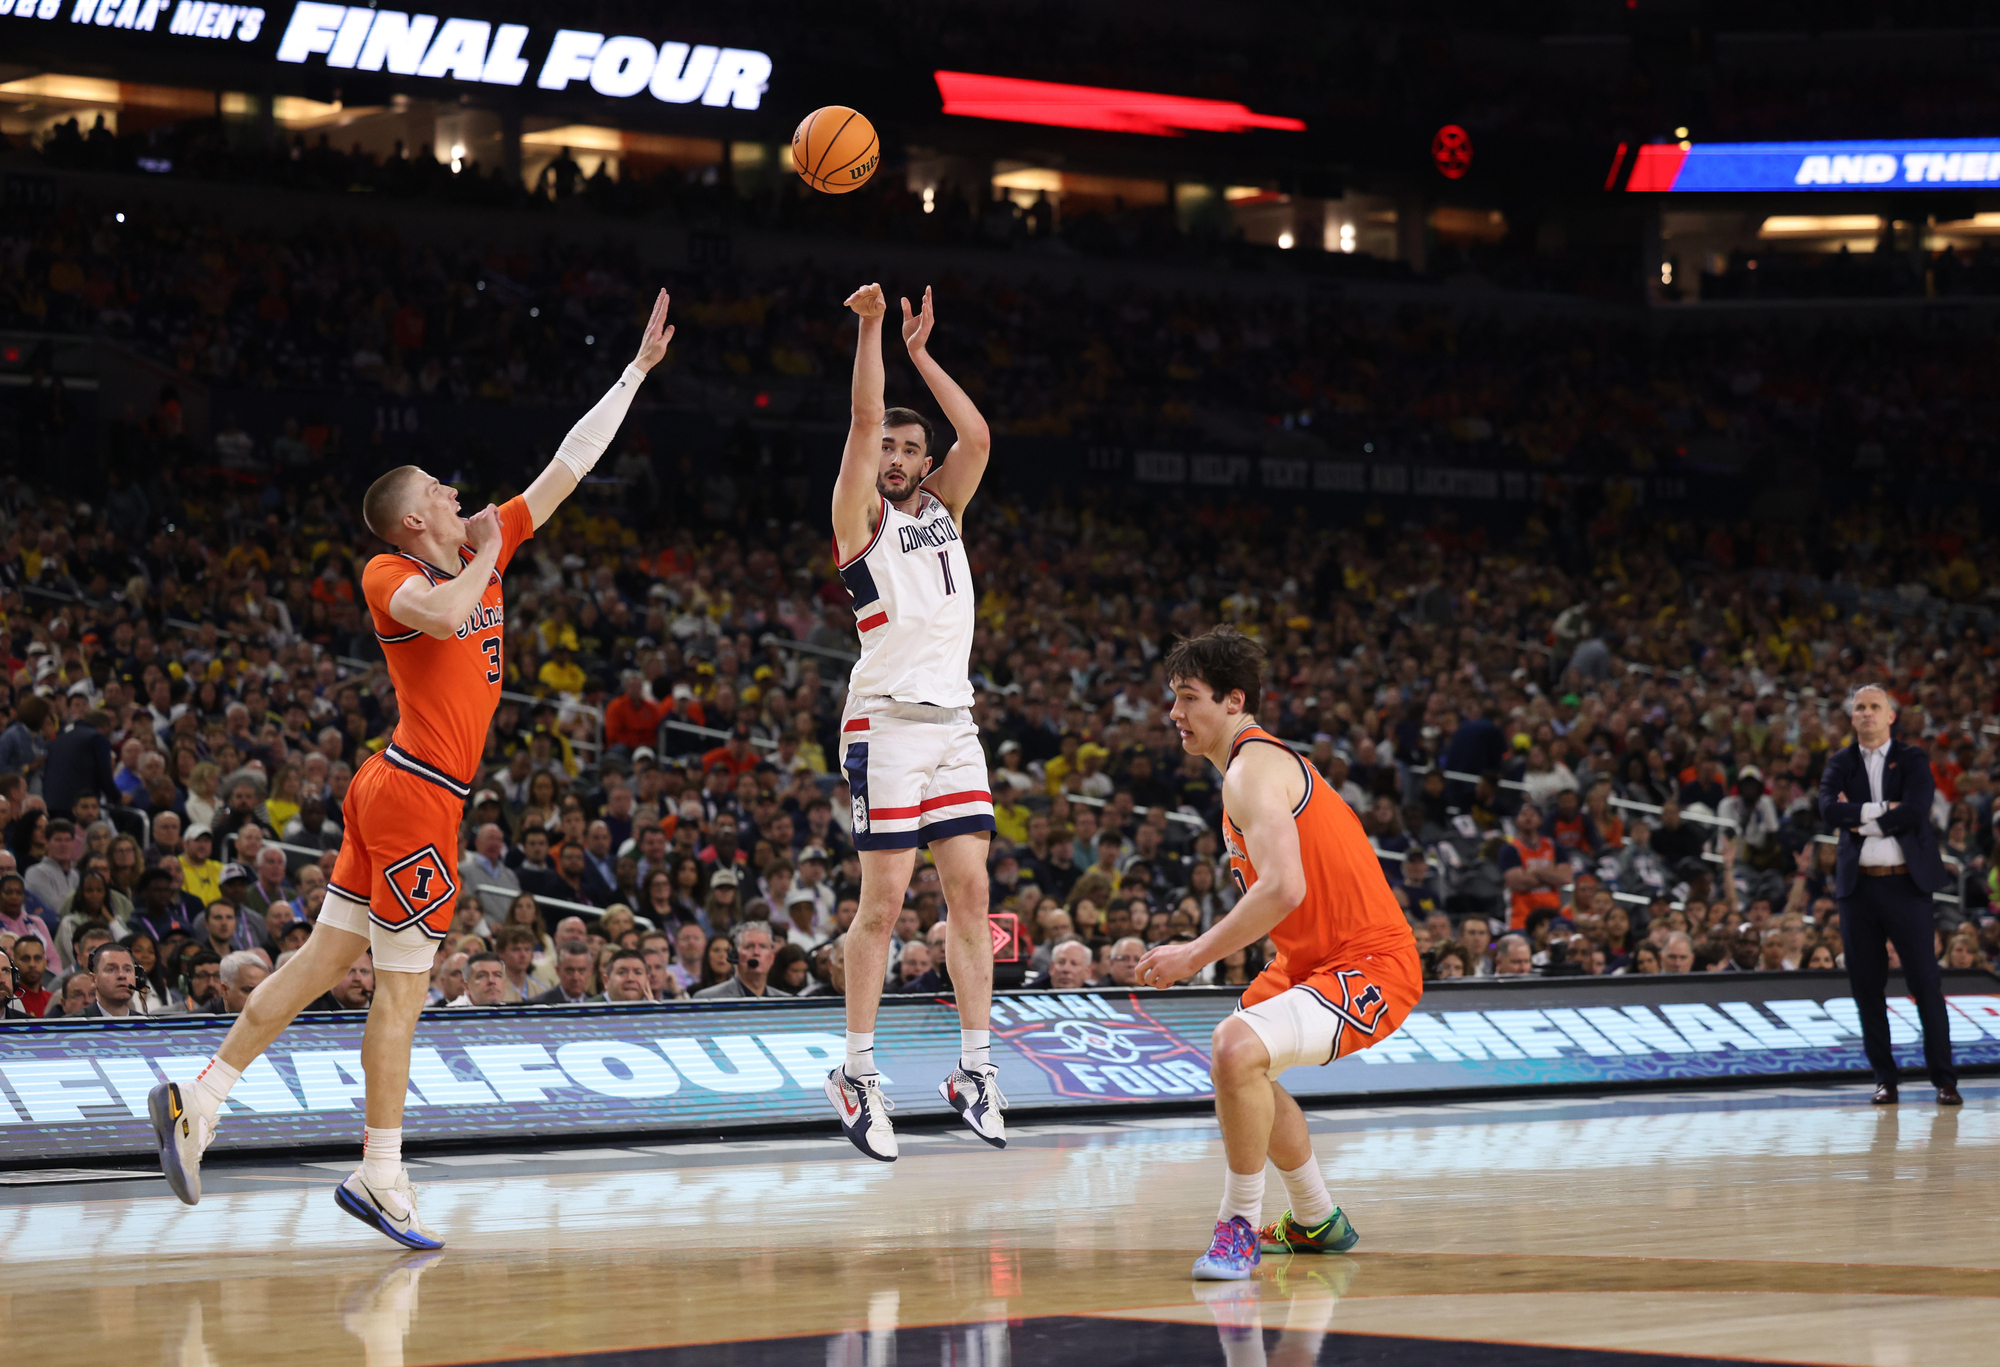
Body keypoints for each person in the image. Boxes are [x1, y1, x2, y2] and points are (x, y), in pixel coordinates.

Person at [144, 290, 677, 1249]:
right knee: (402, 990)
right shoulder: (391, 574)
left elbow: (570, 465)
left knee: (322, 961)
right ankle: (380, 1173)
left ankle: (203, 1095)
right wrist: (481, 553)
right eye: (440, 489)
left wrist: (633, 374)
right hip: (413, 795)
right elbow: (439, 617)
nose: (456, 492)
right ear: (411, 520)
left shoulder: (477, 543)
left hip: (401, 787)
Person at [1135, 628, 1421, 1280]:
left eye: (1188, 697)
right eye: (1172, 698)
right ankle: (1316, 1216)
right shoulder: (1248, 769)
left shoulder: (1251, 769)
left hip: (1367, 961)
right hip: (1310, 962)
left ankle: (1238, 1225)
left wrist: (1195, 953)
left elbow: (1286, 887)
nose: (1174, 712)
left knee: (1234, 1049)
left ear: (1234, 700)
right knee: (1244, 1070)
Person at [822, 281, 1003, 1161]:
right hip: (885, 724)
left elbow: (977, 438)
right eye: (888, 445)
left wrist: (924, 353)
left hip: (954, 724)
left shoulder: (944, 507)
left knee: (972, 895)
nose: (896, 455)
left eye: (907, 446)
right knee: (885, 904)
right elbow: (859, 425)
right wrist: (870, 332)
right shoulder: (860, 516)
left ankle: (973, 1069)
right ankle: (855, 1070)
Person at [1818, 684, 1959, 1106]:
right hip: (1858, 889)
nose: (1866, 714)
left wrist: (1857, 816)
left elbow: (1915, 810)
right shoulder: (1840, 762)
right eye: (1859, 707)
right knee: (1866, 987)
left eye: (1874, 707)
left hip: (1905, 885)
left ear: (1890, 716)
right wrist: (1883, 811)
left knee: (1925, 983)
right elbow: (1828, 810)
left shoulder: (1913, 759)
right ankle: (1885, 1079)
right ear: (1852, 717)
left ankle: (1945, 1079)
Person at [693, 919, 787, 998]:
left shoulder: (787, 1002)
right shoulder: (708, 998)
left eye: (762, 946)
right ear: (735, 956)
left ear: (771, 957)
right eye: (749, 946)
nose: (756, 952)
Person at [79, 942, 145, 1017]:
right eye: (111, 970)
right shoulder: (72, 1026)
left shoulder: (147, 1025)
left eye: (127, 970)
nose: (122, 975)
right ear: (93, 979)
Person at [529, 941, 597, 1005]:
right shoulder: (538, 1005)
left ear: (590, 971)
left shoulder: (597, 1005)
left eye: (581, 971)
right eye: (570, 970)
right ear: (558, 971)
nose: (576, 977)